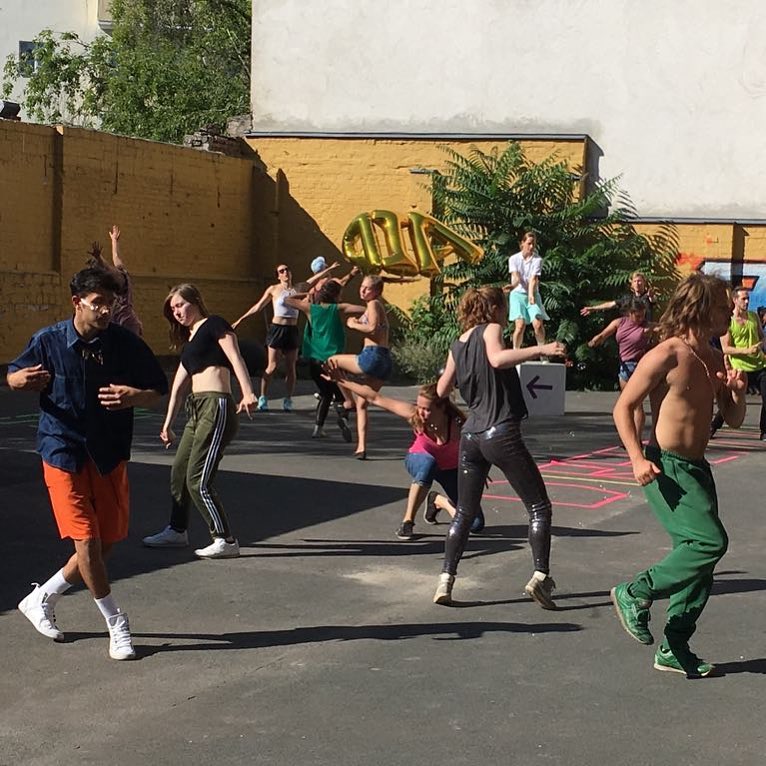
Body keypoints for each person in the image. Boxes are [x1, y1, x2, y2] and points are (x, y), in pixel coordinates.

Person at [8, 267, 168, 660]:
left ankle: (43, 597)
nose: (106, 310)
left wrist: (135, 397)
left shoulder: (125, 344)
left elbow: (157, 390)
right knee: (87, 540)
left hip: (109, 452)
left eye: (110, 303)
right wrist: (18, 381)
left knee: (106, 542)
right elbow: (13, 374)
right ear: (77, 303)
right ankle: (116, 622)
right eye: (98, 303)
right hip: (62, 451)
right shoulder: (48, 341)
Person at [610, 272, 746, 678]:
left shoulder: (714, 357)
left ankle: (675, 646)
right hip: (665, 466)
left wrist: (736, 393)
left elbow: (734, 419)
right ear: (702, 308)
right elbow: (623, 408)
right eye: (723, 308)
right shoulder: (667, 353)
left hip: (697, 469)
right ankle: (635, 591)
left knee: (699, 562)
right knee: (709, 543)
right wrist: (636, 459)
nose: (729, 314)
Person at [433, 286, 565, 607]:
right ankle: (540, 576)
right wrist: (541, 349)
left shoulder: (458, 343)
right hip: (500, 431)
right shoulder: (490, 329)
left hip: (471, 436)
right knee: (539, 507)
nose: (506, 315)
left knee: (464, 512)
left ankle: (445, 580)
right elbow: (496, 358)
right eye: (504, 308)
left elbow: (441, 389)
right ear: (493, 308)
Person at [142, 284, 258, 559]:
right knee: (179, 473)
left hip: (216, 405)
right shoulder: (190, 344)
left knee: (198, 480)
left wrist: (248, 392)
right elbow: (178, 388)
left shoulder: (214, 324)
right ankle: (177, 530)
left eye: (180, 305)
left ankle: (225, 539)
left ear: (195, 301)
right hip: (196, 410)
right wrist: (167, 424)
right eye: (172, 309)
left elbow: (235, 357)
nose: (177, 312)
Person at [329, 378, 486, 539]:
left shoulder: (459, 425)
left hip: (449, 469)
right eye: (419, 407)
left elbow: (477, 449)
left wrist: (478, 470)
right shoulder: (414, 415)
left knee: (475, 524)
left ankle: (438, 501)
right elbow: (374, 397)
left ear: (442, 408)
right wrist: (341, 381)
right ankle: (407, 522)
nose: (421, 412)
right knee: (428, 464)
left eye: (427, 409)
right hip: (419, 459)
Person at [232, 262, 337, 412]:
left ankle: (288, 399)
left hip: (291, 330)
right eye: (281, 271)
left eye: (287, 270)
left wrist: (329, 269)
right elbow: (258, 306)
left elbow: (314, 279)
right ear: (278, 276)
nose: (285, 272)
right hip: (277, 329)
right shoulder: (274, 289)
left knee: (290, 367)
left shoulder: (298, 288)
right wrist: (241, 319)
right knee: (272, 366)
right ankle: (263, 397)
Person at [284, 279, 363, 439]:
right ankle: (343, 419)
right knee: (341, 395)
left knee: (326, 394)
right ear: (335, 295)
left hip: (315, 361)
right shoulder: (338, 308)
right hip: (334, 361)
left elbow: (287, 299)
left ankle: (317, 429)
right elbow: (363, 309)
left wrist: (309, 293)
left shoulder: (310, 308)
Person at [326, 275, 392, 460]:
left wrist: (353, 324)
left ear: (377, 291)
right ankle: (361, 447)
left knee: (332, 361)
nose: (362, 290)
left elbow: (373, 329)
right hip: (384, 361)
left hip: (372, 356)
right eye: (362, 286)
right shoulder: (375, 306)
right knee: (363, 403)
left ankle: (348, 401)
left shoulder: (374, 304)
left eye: (367, 288)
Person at [588, 297, 656, 437]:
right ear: (630, 313)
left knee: (637, 405)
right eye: (637, 316)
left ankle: (636, 439)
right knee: (627, 404)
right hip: (624, 367)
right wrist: (596, 340)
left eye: (643, 315)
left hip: (639, 367)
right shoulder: (619, 323)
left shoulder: (647, 326)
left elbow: (664, 327)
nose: (641, 319)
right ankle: (630, 437)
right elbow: (604, 334)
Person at [710, 286, 766, 440]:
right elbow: (726, 348)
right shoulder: (729, 321)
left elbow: (762, 337)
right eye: (743, 299)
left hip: (760, 366)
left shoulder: (753, 317)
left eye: (748, 299)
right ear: (735, 300)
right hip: (740, 368)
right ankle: (713, 426)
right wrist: (746, 351)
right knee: (730, 402)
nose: (747, 302)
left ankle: (764, 430)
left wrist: (760, 346)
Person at [86, 225, 143, 336]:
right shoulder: (120, 273)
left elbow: (108, 268)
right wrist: (114, 241)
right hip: (119, 321)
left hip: (125, 322)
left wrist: (99, 258)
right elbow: (116, 257)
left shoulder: (121, 278)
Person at [505, 231, 549, 350]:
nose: (531, 246)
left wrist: (531, 295)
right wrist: (513, 286)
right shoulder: (513, 259)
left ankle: (542, 351)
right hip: (517, 295)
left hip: (532, 294)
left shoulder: (537, 260)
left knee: (538, 325)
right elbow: (516, 277)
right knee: (520, 326)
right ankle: (516, 351)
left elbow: (533, 279)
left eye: (533, 244)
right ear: (522, 243)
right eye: (529, 243)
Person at [581, 271, 656, 321]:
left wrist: (651, 296)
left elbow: (653, 300)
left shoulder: (647, 296)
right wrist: (593, 308)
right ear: (632, 284)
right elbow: (611, 304)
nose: (637, 283)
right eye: (635, 281)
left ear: (644, 283)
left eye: (639, 281)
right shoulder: (627, 298)